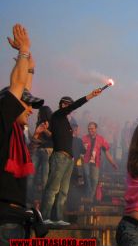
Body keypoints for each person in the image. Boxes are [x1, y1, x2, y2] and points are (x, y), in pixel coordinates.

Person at [0, 24, 44, 246]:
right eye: (26, 105)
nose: (30, 110)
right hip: (4, 222)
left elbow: (22, 87)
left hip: (18, 220)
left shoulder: (16, 134)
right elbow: (16, 88)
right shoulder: (3, 121)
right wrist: (23, 51)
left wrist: (30, 68)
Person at [41, 90, 103, 225]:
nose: (71, 109)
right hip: (59, 157)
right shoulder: (57, 116)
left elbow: (57, 137)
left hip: (68, 159)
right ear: (63, 105)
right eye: (69, 105)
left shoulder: (65, 123)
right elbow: (74, 107)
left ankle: (57, 218)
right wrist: (90, 96)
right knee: (53, 189)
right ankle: (44, 218)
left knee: (63, 191)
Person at [82, 121, 118, 201]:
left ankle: (89, 199)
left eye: (92, 128)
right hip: (86, 161)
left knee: (94, 181)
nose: (90, 130)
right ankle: (87, 197)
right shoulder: (84, 138)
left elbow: (107, 153)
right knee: (87, 176)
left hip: (96, 163)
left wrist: (113, 163)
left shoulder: (101, 139)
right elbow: (79, 151)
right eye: (89, 129)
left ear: (96, 129)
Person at [27, 105, 53, 206]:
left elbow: (54, 137)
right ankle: (30, 198)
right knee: (30, 175)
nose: (38, 114)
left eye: (39, 112)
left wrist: (45, 129)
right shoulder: (38, 122)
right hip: (38, 150)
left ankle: (44, 201)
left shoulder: (53, 122)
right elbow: (35, 136)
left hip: (47, 151)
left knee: (45, 178)